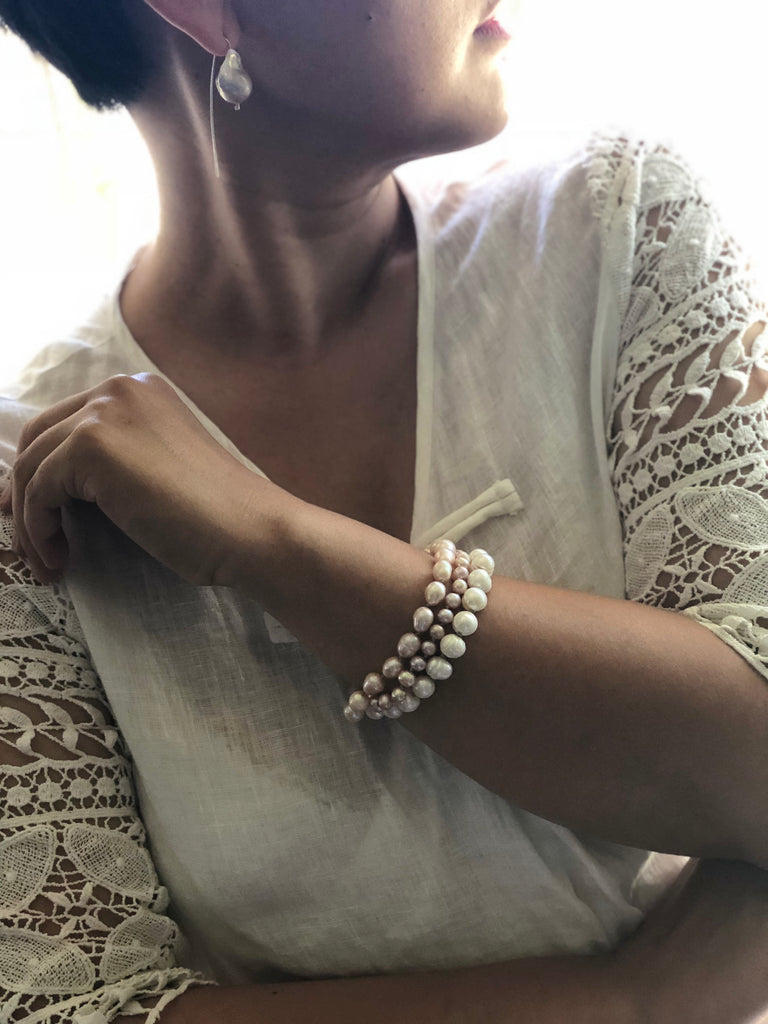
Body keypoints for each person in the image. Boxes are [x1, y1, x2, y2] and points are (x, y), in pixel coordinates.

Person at [0, 1, 767, 1022]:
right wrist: (636, 1000)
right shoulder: (33, 479)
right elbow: (73, 1006)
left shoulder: (619, 231)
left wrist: (277, 543)